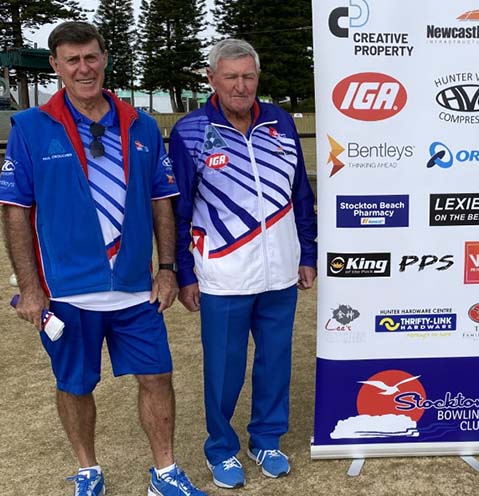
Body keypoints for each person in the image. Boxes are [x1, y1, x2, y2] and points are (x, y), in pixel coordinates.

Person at [0, 21, 206, 496]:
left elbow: (162, 201)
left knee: (157, 376)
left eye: (90, 57)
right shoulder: (30, 127)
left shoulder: (141, 124)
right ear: (56, 66)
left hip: (135, 286)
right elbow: (15, 211)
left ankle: (165, 473)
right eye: (72, 60)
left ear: (105, 58)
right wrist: (30, 289)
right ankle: (88, 469)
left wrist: (167, 269)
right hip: (67, 289)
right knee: (75, 385)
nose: (83, 68)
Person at [169, 39, 317, 489]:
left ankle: (266, 440)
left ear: (257, 77)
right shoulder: (190, 131)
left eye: (248, 76)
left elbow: (301, 193)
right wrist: (184, 273)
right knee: (224, 370)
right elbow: (177, 209)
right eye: (230, 77)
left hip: (281, 273)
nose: (240, 86)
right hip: (223, 275)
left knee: (275, 362)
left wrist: (307, 253)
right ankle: (221, 448)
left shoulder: (280, 121)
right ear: (211, 78)